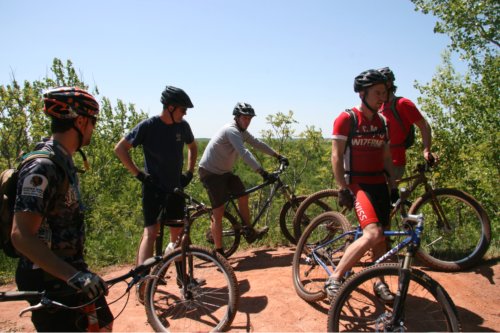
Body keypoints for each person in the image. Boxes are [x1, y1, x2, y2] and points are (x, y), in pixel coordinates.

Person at [11, 87, 113, 331]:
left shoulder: (62, 158)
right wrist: (73, 276)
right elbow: (21, 235)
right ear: (80, 121)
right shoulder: (42, 167)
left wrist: (77, 274)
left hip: (70, 270)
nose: (94, 127)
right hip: (48, 276)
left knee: (102, 323)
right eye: (93, 121)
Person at [114, 85, 197, 300]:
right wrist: (140, 175)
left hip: (175, 189)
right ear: (170, 107)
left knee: (177, 236)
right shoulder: (149, 126)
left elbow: (193, 147)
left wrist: (188, 172)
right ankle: (142, 283)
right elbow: (120, 149)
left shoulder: (183, 127)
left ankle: (182, 279)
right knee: (151, 233)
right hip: (154, 189)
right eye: (182, 109)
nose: (185, 113)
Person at [327, 70, 398, 301]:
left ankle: (379, 282)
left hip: (379, 184)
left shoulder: (382, 121)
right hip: (358, 184)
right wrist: (342, 187)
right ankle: (335, 278)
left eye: (385, 93)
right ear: (362, 93)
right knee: (373, 233)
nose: (383, 98)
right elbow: (336, 156)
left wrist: (393, 185)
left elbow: (386, 156)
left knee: (382, 237)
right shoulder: (347, 118)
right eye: (377, 93)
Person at [198, 102, 288, 256]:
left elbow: (257, 143)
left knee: (243, 195)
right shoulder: (231, 130)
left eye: (250, 119)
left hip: (224, 172)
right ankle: (219, 253)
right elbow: (244, 153)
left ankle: (249, 231)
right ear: (237, 117)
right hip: (210, 173)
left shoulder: (241, 131)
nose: (247, 121)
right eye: (245, 118)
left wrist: (278, 155)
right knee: (218, 212)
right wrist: (262, 172)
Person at [378, 67, 438, 180]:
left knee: (387, 196)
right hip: (380, 161)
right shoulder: (380, 107)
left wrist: (426, 151)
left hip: (395, 161)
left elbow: (424, 126)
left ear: (389, 83)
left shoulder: (403, 104)